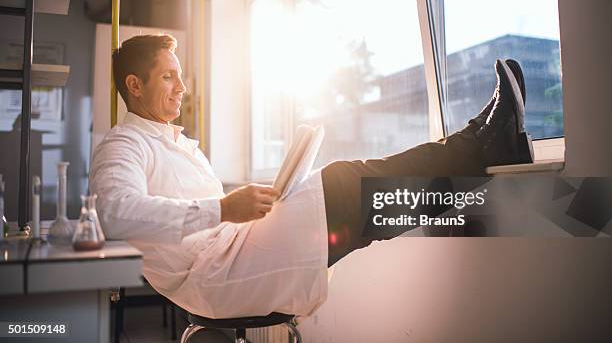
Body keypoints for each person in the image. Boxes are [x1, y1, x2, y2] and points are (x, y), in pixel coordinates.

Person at [89, 34, 533, 318]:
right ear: (134, 86)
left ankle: (481, 150)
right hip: (212, 275)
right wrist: (224, 207)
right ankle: (482, 143)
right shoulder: (122, 146)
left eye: (180, 77)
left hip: (230, 251)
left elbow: (193, 211)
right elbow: (115, 215)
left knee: (352, 202)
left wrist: (249, 202)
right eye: (168, 77)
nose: (182, 88)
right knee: (343, 187)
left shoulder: (175, 143)